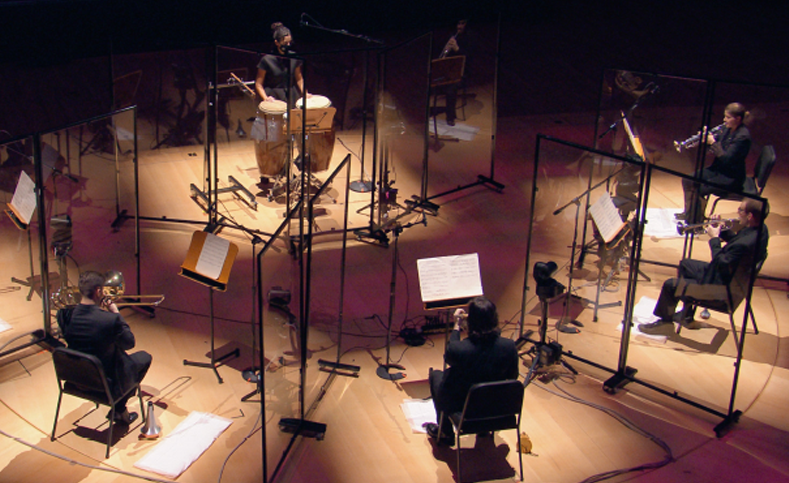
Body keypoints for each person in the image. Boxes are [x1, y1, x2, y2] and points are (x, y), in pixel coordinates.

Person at [640, 198, 768, 334]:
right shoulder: (760, 230)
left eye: (740, 210)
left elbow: (720, 262)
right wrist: (721, 229)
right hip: (732, 280)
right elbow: (735, 246)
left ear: (750, 216)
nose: (737, 212)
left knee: (670, 285)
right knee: (686, 264)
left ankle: (665, 324)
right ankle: (687, 316)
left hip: (721, 289)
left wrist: (714, 238)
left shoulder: (745, 242)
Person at [424, 296, 519, 445]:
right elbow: (513, 376)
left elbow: (450, 354)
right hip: (498, 408)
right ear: (495, 319)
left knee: (436, 376)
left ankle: (445, 432)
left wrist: (457, 325)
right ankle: (484, 430)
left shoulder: (460, 349)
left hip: (466, 409)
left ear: (470, 322)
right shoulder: (509, 346)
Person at [63, 271, 152, 424]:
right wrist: (116, 313)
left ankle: (119, 409)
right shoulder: (109, 320)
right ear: (98, 291)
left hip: (75, 378)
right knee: (145, 357)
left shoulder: (64, 315)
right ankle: (119, 409)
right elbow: (129, 343)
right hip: (103, 383)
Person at [253, 22, 309, 188]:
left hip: (290, 96)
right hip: (273, 98)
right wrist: (265, 98)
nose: (288, 46)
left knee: (293, 135)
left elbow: (299, 78)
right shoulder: (266, 60)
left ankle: (290, 165)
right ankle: (269, 169)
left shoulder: (294, 57)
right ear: (276, 43)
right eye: (285, 43)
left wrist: (305, 93)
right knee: (273, 138)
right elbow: (258, 84)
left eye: (290, 43)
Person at [676, 102, 751, 224]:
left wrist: (713, 142)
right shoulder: (727, 129)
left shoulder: (742, 137)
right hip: (718, 169)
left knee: (699, 188)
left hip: (731, 177)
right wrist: (705, 140)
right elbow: (715, 150)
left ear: (738, 119)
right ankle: (689, 213)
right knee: (688, 179)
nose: (724, 120)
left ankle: (695, 222)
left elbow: (726, 158)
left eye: (727, 117)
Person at [437, 19, 472, 126]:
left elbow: (469, 59)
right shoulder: (453, 36)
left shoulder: (470, 38)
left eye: (462, 24)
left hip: (462, 73)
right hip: (449, 71)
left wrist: (457, 49)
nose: (459, 27)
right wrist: (446, 51)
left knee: (451, 88)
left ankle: (450, 116)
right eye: (458, 23)